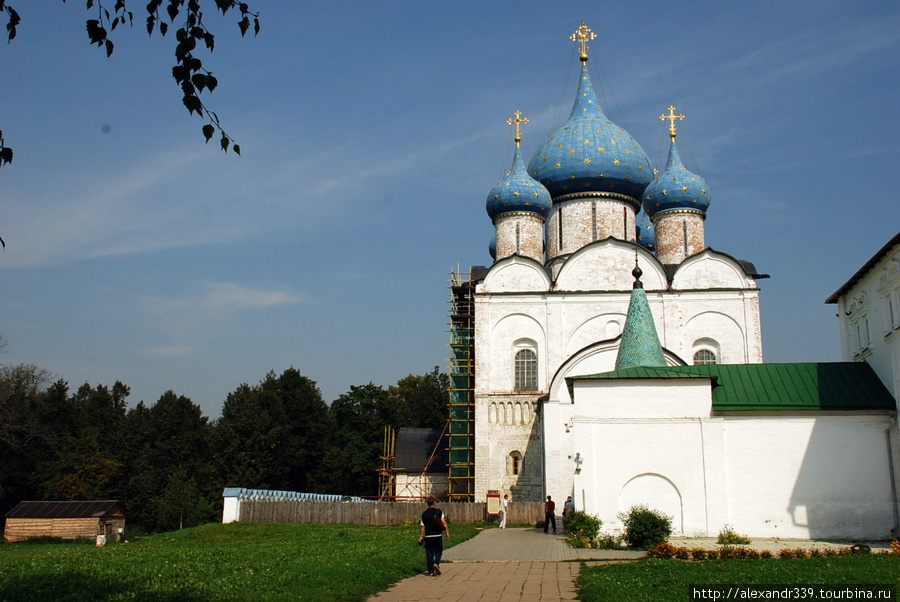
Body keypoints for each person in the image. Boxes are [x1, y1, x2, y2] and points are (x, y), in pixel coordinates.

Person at [418, 497, 449, 576]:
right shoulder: (439, 512)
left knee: (429, 553)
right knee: (439, 551)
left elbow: (422, 526)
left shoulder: (424, 514)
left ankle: (431, 572)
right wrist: (447, 532)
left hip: (428, 536)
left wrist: (421, 536)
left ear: (427, 504)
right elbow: (444, 522)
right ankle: (436, 563)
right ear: (434, 503)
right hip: (437, 535)